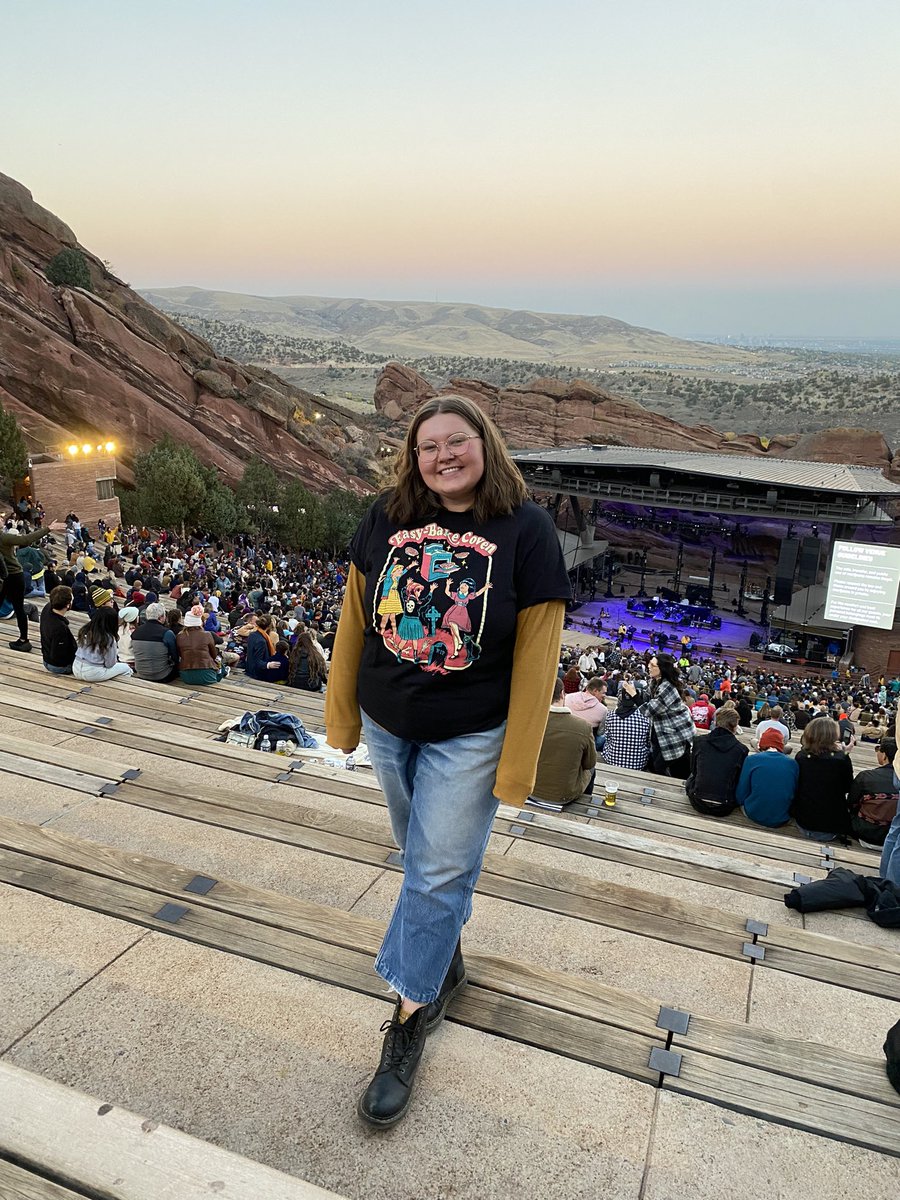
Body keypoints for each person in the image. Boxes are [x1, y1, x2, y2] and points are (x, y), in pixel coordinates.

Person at [324, 393, 570, 1128]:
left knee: (433, 871)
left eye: (455, 442)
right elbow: (355, 619)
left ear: (484, 444)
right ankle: (443, 961)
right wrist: (341, 717)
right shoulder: (385, 516)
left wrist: (518, 761)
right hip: (389, 721)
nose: (442, 457)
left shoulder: (526, 529)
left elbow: (538, 653)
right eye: (428, 447)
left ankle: (406, 1025)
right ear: (414, 457)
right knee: (422, 859)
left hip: (472, 733)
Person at [621, 654, 694, 778]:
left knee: (671, 769)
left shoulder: (668, 687)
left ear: (662, 669)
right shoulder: (655, 681)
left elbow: (649, 710)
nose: (648, 667)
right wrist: (635, 690)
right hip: (662, 731)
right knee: (659, 764)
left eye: (653, 665)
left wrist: (633, 694)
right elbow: (648, 699)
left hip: (677, 734)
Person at [530, 677, 597, 806]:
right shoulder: (583, 726)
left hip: (529, 789)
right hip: (565, 796)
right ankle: (586, 804)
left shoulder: (531, 721)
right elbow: (589, 764)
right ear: (562, 694)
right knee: (592, 769)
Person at [791, 716, 854, 841]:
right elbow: (848, 787)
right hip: (830, 826)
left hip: (803, 821)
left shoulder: (801, 756)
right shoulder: (841, 759)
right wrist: (845, 753)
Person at [685, 707, 748, 818]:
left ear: (716, 723)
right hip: (724, 805)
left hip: (698, 801)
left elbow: (693, 770)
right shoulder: (741, 750)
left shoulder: (699, 741)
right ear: (734, 727)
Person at [0, 517, 49, 651]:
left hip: (3, 577)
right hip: (14, 576)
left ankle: (23, 639)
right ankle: (23, 640)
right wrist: (48, 529)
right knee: (19, 608)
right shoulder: (3, 537)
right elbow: (25, 540)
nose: (2, 519)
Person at [735, 728, 799, 827]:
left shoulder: (751, 760)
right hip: (783, 816)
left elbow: (741, 793)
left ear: (761, 744)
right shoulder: (793, 764)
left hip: (754, 813)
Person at [847, 737, 899, 850]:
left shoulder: (866, 777)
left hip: (864, 833)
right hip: (894, 836)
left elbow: (851, 803)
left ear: (884, 755)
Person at [72, 607, 133, 682]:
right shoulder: (109, 638)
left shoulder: (85, 630)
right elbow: (110, 664)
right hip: (93, 673)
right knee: (127, 668)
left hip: (76, 668)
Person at [602, 687, 651, 771]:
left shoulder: (610, 715)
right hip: (638, 764)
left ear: (620, 699)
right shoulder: (645, 716)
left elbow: (608, 738)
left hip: (612, 760)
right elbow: (647, 742)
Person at [176, 604, 227, 685]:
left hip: (186, 676)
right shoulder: (207, 635)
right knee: (219, 662)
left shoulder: (179, 636)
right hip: (206, 675)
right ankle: (223, 672)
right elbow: (214, 655)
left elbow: (180, 654)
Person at [131, 601, 179, 682]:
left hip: (141, 673)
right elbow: (175, 656)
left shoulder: (136, 632)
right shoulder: (167, 633)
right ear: (160, 617)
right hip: (162, 675)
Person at [39, 584, 77, 674]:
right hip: (58, 666)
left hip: (47, 658)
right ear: (68, 605)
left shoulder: (48, 608)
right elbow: (59, 656)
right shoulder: (60, 628)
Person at [564, 675, 608, 749]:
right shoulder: (603, 710)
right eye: (603, 693)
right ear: (595, 691)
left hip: (565, 734)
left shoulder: (568, 697)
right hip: (585, 743)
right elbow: (600, 732)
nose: (605, 696)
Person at [244, 613, 281, 679]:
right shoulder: (262, 641)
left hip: (249, 668)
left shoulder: (252, 635)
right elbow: (257, 661)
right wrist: (268, 665)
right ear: (269, 626)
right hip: (257, 673)